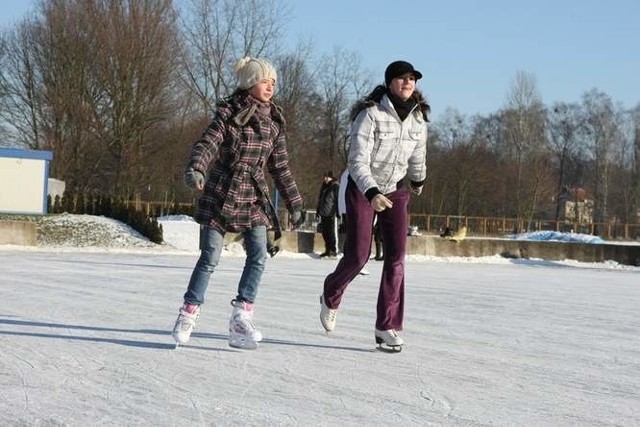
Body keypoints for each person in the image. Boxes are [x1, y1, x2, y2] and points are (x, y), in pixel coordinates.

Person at [172, 57, 303, 350]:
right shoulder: (229, 113)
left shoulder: (275, 122)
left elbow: (280, 167)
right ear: (249, 82)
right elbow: (208, 142)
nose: (270, 86)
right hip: (222, 191)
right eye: (263, 80)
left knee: (258, 255)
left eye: (273, 82)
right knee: (210, 257)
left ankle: (241, 317)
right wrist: (197, 168)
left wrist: (294, 202)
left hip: (254, 196)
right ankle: (188, 313)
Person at [319, 60, 429, 351]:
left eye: (412, 79)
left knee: (396, 260)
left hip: (396, 190)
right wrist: (371, 192)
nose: (408, 83)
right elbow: (356, 161)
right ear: (390, 82)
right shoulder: (371, 114)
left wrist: (418, 180)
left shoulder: (418, 120)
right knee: (358, 256)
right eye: (402, 79)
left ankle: (387, 326)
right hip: (363, 187)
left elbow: (418, 155)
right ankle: (331, 293)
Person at [316, 170, 340, 258]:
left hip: (331, 213)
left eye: (327, 177)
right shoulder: (324, 186)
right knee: (325, 233)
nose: (325, 179)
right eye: (324, 177)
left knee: (332, 233)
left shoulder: (335, 186)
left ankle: (333, 250)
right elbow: (320, 199)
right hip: (324, 213)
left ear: (331, 177)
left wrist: (337, 212)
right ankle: (327, 249)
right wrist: (318, 210)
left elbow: (337, 200)